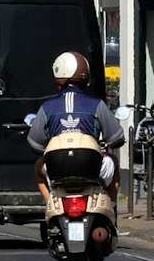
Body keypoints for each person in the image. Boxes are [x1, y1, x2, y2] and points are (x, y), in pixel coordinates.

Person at [25, 51, 126, 215]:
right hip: (92, 168)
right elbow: (116, 138)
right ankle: (111, 209)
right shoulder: (97, 105)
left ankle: (51, 206)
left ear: (58, 79)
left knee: (38, 166)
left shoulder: (47, 107)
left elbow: (35, 143)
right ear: (86, 78)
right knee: (113, 161)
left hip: (56, 170)